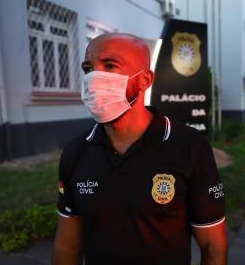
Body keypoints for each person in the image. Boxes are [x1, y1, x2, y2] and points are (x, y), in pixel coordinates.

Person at [52, 33, 227, 265]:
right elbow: (67, 246)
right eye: (88, 68)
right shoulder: (76, 152)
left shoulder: (189, 146)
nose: (93, 79)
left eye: (110, 65)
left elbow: (213, 246)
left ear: (144, 80)